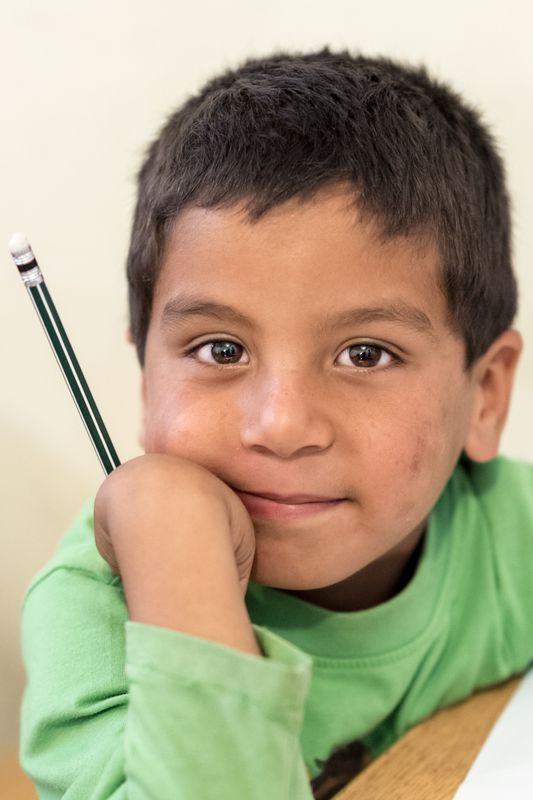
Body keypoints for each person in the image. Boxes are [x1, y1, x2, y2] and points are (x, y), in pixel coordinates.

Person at [20, 47, 532, 800]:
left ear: (482, 397)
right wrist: (182, 567)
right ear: (145, 380)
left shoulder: (505, 528)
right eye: (219, 349)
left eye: (365, 353)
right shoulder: (94, 616)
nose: (282, 425)